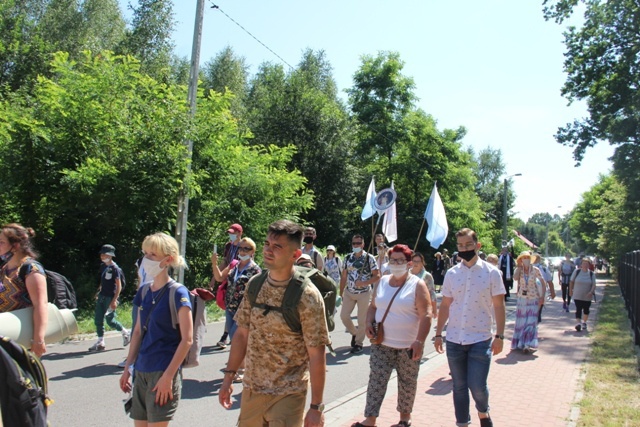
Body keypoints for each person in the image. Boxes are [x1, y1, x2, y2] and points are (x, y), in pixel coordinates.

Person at [218, 220, 330, 427]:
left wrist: (316, 407)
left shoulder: (308, 296)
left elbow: (317, 353)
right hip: (252, 390)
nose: (268, 250)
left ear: (295, 255)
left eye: (277, 246)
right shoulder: (255, 285)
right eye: (267, 244)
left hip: (288, 393)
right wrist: (228, 378)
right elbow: (242, 335)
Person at [351, 244, 432, 427]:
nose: (395, 263)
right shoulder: (383, 282)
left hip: (408, 346)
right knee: (376, 380)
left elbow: (426, 314)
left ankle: (404, 419)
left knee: (407, 382)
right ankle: (370, 419)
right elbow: (373, 307)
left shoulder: (417, 285)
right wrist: (368, 324)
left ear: (409, 263)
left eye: (400, 260)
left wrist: (419, 341)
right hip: (382, 343)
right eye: (392, 260)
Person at [119, 233, 193, 425]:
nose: (146, 259)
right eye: (145, 253)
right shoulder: (143, 291)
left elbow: (187, 340)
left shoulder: (178, 292)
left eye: (152, 254)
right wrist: (128, 367)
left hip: (162, 371)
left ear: (167, 259)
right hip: (141, 371)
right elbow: (137, 332)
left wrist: (168, 377)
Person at [434, 228, 505, 427]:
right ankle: (462, 423)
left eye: (468, 245)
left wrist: (500, 335)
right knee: (459, 386)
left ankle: (483, 413)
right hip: (455, 338)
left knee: (477, 386)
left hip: (480, 339)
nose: (464, 249)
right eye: (460, 246)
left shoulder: (492, 273)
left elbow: (499, 305)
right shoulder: (451, 274)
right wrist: (438, 334)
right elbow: (446, 305)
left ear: (477, 245)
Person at [212, 237, 261, 383]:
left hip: (244, 310)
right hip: (230, 307)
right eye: (241, 248)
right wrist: (214, 264)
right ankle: (241, 367)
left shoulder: (255, 270)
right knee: (235, 339)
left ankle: (241, 369)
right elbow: (220, 278)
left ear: (253, 252)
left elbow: (257, 292)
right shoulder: (234, 265)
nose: (242, 251)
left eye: (246, 248)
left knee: (236, 338)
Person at [0, 223, 48, 358]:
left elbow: (41, 305)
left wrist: (38, 339)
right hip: (5, 336)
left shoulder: (31, 269)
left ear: (15, 246)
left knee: (21, 378)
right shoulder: (5, 269)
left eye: (1, 242)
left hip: (22, 337)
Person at [340, 234, 380, 354]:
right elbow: (344, 276)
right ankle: (355, 333)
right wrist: (340, 293)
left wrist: (364, 282)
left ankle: (358, 343)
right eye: (354, 243)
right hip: (349, 292)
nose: (356, 245)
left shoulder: (369, 258)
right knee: (344, 316)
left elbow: (377, 275)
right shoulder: (347, 258)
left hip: (364, 293)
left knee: (362, 320)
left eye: (358, 243)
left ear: (363, 244)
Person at [88, 244, 130, 352]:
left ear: (110, 256)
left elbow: (119, 285)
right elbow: (103, 281)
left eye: (105, 254)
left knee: (110, 320)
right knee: (98, 318)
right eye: (102, 254)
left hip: (111, 297)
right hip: (102, 296)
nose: (102, 256)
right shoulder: (103, 266)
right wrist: (98, 292)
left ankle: (125, 333)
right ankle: (100, 341)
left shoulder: (115, 269)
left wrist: (114, 300)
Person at [511, 251, 546, 353]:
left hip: (533, 298)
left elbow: (542, 283)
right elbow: (515, 278)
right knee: (521, 321)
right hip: (522, 298)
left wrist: (542, 297)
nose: (525, 259)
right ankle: (520, 342)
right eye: (523, 258)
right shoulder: (519, 270)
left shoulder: (535, 270)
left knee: (531, 321)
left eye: (527, 257)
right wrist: (518, 267)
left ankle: (527, 343)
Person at [215, 223, 244, 349]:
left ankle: (228, 335)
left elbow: (245, 263)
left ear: (239, 233)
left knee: (235, 309)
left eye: (233, 233)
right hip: (228, 280)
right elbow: (225, 262)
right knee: (228, 307)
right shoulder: (228, 246)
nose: (230, 235)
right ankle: (227, 336)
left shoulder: (245, 246)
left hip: (239, 281)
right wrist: (215, 278)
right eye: (230, 233)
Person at [570, 257, 597, 332]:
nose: (585, 265)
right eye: (583, 264)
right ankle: (578, 323)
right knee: (578, 309)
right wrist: (570, 290)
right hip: (577, 294)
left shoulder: (591, 274)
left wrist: (591, 292)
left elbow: (594, 285)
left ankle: (584, 322)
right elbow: (571, 281)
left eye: (586, 264)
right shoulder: (577, 271)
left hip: (587, 295)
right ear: (581, 265)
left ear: (589, 265)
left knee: (586, 310)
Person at [411, 252, 437, 318]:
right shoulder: (406, 274)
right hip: (408, 307)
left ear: (422, 263)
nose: (416, 263)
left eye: (418, 261)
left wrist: (434, 310)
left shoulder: (427, 276)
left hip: (422, 307)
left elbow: (431, 293)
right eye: (414, 261)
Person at [531, 253, 555, 322]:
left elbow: (550, 281)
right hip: (530, 292)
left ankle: (536, 324)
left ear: (539, 259)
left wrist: (552, 292)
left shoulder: (544, 269)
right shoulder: (527, 268)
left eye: (536, 258)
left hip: (541, 292)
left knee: (538, 311)